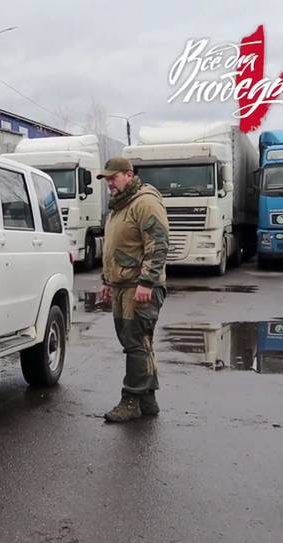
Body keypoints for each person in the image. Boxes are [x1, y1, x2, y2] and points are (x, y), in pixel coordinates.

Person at [97, 157, 170, 422]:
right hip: (121, 286)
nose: (108, 183)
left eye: (112, 177)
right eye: (106, 178)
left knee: (136, 343)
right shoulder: (119, 205)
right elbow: (113, 247)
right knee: (136, 342)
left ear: (128, 175)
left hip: (139, 287)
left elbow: (158, 243)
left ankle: (131, 400)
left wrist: (147, 282)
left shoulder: (144, 202)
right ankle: (147, 400)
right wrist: (107, 280)